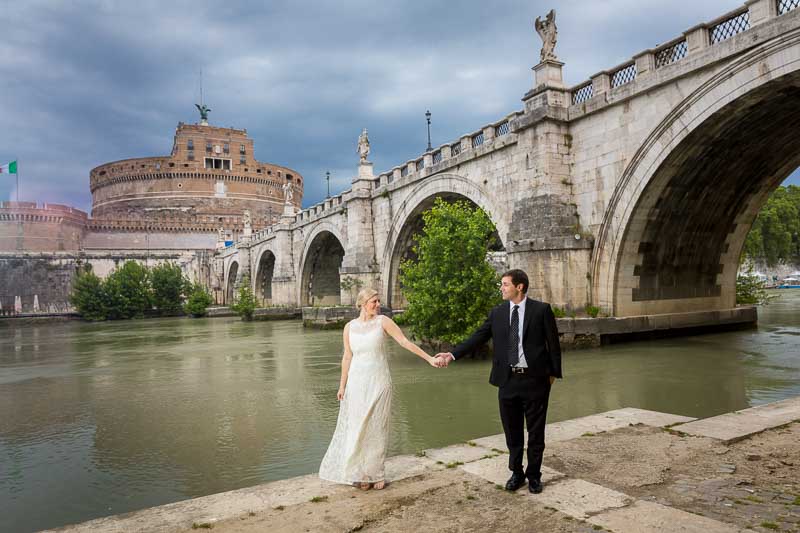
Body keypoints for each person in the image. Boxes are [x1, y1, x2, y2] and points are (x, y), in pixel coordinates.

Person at [435, 269, 562, 494]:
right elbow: (477, 337)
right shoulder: (498, 313)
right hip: (507, 380)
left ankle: (534, 476)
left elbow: (553, 344)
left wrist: (553, 374)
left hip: (535, 381)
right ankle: (517, 472)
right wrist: (452, 355)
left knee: (536, 432)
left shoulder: (541, 310)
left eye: (505, 284)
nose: (501, 288)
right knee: (512, 431)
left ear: (519, 287)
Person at [319, 288, 439, 490]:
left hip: (379, 381)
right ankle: (362, 473)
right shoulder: (349, 327)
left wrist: (429, 359)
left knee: (377, 427)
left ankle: (376, 473)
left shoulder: (383, 322)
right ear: (362, 304)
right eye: (373, 301)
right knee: (358, 428)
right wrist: (342, 385)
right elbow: (347, 356)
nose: (377, 304)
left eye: (378, 301)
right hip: (356, 384)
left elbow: (404, 342)